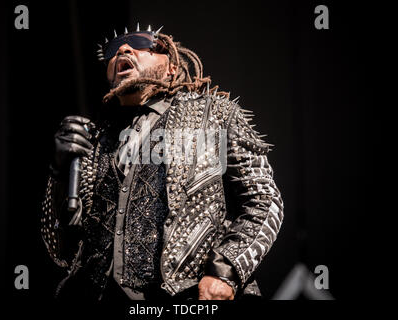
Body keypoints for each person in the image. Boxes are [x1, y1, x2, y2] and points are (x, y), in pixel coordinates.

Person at [41, 24, 284, 302]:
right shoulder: (95, 140)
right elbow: (61, 251)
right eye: (112, 50)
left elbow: (264, 200)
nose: (122, 49)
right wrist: (59, 174)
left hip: (187, 297)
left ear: (170, 67)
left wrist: (225, 271)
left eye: (140, 42)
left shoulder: (213, 114)